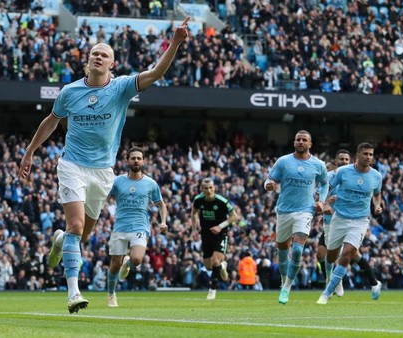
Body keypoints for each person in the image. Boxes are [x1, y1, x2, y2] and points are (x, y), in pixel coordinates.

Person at [18, 17, 191, 314]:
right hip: (72, 164)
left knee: (82, 236)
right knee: (75, 225)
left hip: (102, 172)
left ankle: (59, 241)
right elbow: (51, 121)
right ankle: (73, 293)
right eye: (94, 53)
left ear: (111, 64)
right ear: (88, 61)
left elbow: (156, 72)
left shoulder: (122, 87)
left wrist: (174, 42)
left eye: (104, 54)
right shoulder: (70, 92)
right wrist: (30, 151)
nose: (98, 57)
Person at [265, 130, 328, 304]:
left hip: (305, 211)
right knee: (283, 251)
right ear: (294, 143)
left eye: (304, 140)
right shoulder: (283, 161)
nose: (301, 142)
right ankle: (284, 280)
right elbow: (269, 179)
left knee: (298, 250)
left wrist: (321, 201)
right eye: (298, 139)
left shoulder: (319, 164)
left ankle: (287, 287)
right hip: (284, 210)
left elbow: (324, 185)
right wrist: (268, 185)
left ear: (310, 144)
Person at [317, 142, 383, 305]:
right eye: (365, 154)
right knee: (331, 256)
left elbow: (377, 193)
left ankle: (326, 293)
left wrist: (377, 205)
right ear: (357, 155)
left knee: (347, 253)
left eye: (371, 154)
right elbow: (327, 186)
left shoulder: (376, 176)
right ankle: (372, 283)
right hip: (339, 219)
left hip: (360, 221)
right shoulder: (342, 172)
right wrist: (325, 204)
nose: (368, 157)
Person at [106, 147, 168, 307]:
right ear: (127, 160)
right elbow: (103, 195)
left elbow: (161, 204)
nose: (136, 161)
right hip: (119, 228)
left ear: (143, 161)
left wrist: (163, 221)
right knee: (114, 266)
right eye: (133, 158)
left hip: (140, 227)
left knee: (137, 259)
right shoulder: (118, 181)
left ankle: (128, 264)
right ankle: (111, 294)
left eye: (139, 158)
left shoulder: (150, 183)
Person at [191, 178, 239, 300]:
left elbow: (234, 216)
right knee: (208, 266)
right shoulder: (198, 200)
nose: (208, 190)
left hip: (220, 234)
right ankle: (222, 266)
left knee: (215, 262)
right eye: (206, 188)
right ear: (202, 189)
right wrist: (194, 229)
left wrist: (220, 226)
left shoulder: (221, 201)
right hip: (206, 234)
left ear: (214, 188)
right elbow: (193, 212)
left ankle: (213, 289)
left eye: (210, 188)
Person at [316, 149, 350, 296]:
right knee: (330, 254)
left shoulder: (353, 177)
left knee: (341, 254)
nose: (344, 162)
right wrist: (326, 204)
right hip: (330, 220)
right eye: (341, 159)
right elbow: (319, 198)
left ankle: (336, 281)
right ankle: (332, 281)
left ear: (350, 161)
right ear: (336, 161)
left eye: (346, 160)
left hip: (348, 220)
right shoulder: (328, 177)